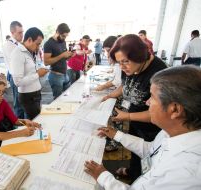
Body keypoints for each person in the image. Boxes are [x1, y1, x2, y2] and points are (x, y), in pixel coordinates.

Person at [85, 65, 201, 190]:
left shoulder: (186, 171)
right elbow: (151, 151)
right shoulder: (174, 132)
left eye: (152, 97)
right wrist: (116, 135)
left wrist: (103, 177)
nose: (147, 102)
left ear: (175, 110)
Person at [102, 34, 167, 182]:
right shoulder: (130, 68)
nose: (122, 67)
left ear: (139, 56)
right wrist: (111, 95)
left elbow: (160, 112)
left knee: (150, 161)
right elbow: (125, 85)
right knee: (135, 152)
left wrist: (128, 116)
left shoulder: (158, 74)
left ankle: (140, 180)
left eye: (125, 61)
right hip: (134, 120)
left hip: (152, 129)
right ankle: (133, 172)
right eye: (119, 62)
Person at [10, 27, 48, 120]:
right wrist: (38, 74)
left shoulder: (29, 52)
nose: (38, 47)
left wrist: (38, 71)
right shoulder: (18, 53)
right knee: (34, 121)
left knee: (36, 119)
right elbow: (18, 82)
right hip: (28, 96)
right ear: (29, 40)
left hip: (35, 93)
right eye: (37, 44)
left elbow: (29, 71)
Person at [43, 23, 74, 99]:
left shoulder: (63, 42)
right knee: (58, 100)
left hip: (64, 74)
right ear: (57, 32)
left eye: (66, 36)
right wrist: (62, 55)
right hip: (55, 76)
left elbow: (64, 57)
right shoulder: (48, 44)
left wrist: (70, 56)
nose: (64, 38)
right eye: (63, 36)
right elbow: (46, 62)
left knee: (68, 97)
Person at [3, 21, 26, 119]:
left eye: (22, 32)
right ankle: (19, 125)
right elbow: (20, 61)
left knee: (22, 101)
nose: (22, 35)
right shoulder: (9, 46)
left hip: (20, 76)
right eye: (19, 32)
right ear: (12, 33)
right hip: (15, 76)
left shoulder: (17, 44)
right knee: (19, 103)